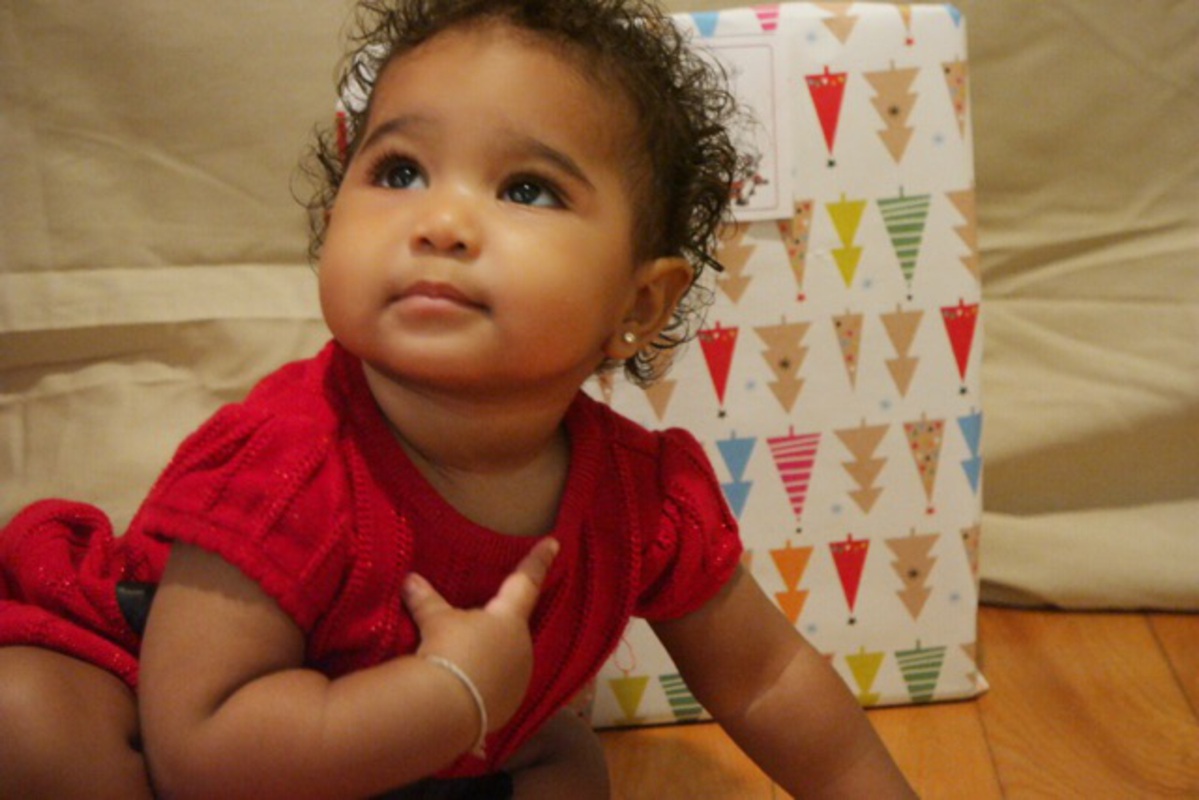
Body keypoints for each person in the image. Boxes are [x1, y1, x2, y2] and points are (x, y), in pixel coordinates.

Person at [0, 0, 917, 797]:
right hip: (174, 725)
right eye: (398, 172)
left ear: (638, 306)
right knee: (30, 721)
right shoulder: (284, 464)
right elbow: (200, 754)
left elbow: (765, 680)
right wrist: (446, 693)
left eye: (527, 189)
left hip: (431, 753)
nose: (439, 223)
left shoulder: (642, 501)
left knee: (562, 761)